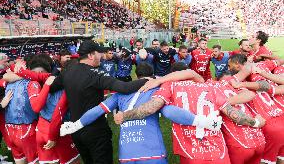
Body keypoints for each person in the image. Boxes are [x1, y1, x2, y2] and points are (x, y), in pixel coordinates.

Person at [59, 63, 222, 164]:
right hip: (152, 151)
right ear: (152, 76)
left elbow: (97, 110)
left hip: (127, 152)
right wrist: (202, 121)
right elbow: (170, 112)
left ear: (136, 75)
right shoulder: (159, 89)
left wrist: (77, 124)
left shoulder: (120, 93)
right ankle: (204, 121)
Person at [114, 74, 265, 164]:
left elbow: (151, 107)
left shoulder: (170, 85)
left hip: (191, 152)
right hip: (217, 151)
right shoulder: (210, 86)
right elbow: (235, 115)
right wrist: (256, 122)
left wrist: (124, 115)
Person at [49, 40, 149, 164]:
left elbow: (51, 87)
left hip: (76, 131)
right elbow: (124, 87)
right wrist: (148, 79)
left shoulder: (67, 71)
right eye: (99, 53)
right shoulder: (95, 75)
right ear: (91, 55)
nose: (101, 56)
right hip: (95, 130)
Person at [227, 54, 284, 164]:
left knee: (267, 160)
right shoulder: (263, 65)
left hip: (269, 123)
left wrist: (241, 84)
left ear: (238, 64)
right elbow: (279, 61)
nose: (229, 68)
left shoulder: (236, 80)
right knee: (280, 157)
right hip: (279, 116)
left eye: (230, 66)